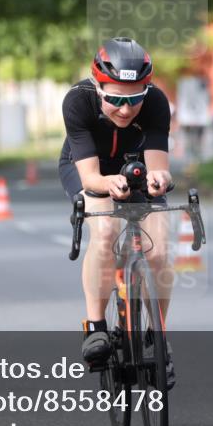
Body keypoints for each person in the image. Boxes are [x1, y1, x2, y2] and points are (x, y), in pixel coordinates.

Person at [58, 38, 174, 383]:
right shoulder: (78, 101)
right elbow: (92, 177)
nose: (126, 110)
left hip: (134, 164)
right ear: (98, 86)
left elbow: (159, 166)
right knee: (106, 231)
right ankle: (95, 327)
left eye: (135, 98)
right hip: (88, 167)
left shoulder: (156, 102)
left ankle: (159, 338)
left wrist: (159, 180)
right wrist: (108, 185)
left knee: (160, 248)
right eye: (115, 99)